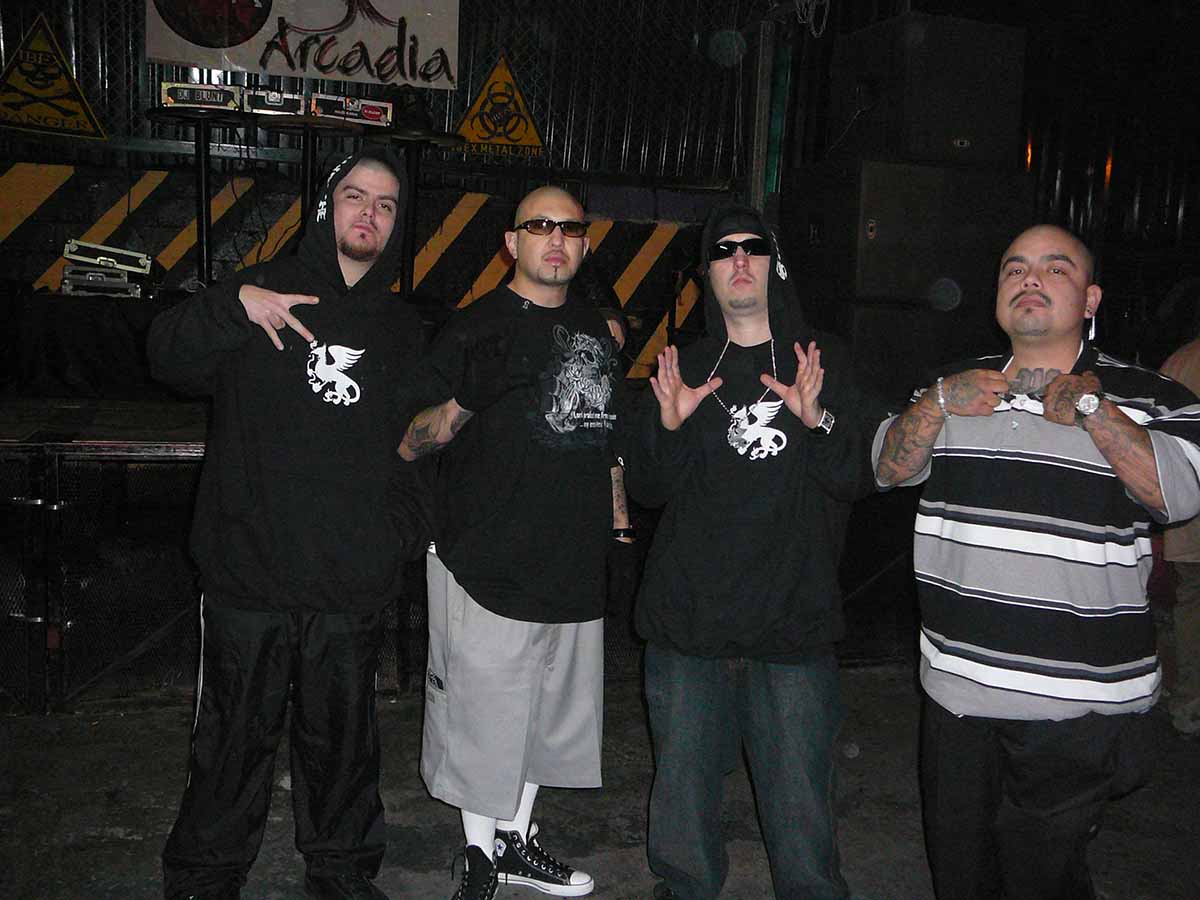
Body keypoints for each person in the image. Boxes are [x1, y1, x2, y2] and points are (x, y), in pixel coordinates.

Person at [873, 224, 1200, 899]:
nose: (1030, 278)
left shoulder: (1152, 395)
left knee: (1042, 884)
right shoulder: (954, 386)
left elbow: (1179, 495)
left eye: (1056, 268)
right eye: (1014, 267)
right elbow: (887, 467)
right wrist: (938, 403)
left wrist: (1092, 409)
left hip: (1078, 706)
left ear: (1091, 299)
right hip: (957, 691)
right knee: (961, 879)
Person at [148, 148, 430, 900]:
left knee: (343, 743)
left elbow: (417, 444)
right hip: (251, 574)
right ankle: (206, 874)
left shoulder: (403, 329)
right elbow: (164, 357)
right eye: (355, 196)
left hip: (350, 579)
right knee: (231, 739)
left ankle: (341, 870)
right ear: (327, 205)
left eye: (386, 204)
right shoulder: (262, 291)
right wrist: (232, 303)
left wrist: (396, 535)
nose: (369, 213)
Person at [622, 204, 881, 900]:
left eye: (753, 247)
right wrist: (669, 428)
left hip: (791, 624)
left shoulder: (822, 359)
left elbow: (857, 475)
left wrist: (818, 419)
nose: (738, 260)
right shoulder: (684, 365)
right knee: (683, 804)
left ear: (775, 263)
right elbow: (647, 488)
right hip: (689, 624)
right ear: (707, 273)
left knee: (802, 812)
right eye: (723, 250)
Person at [398, 186, 621, 900]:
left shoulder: (596, 331)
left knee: (543, 722)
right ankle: (477, 854)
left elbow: (605, 441)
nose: (556, 238)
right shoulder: (472, 328)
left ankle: (516, 841)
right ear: (511, 242)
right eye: (540, 225)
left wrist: (616, 527)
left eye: (570, 228)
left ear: (584, 244)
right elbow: (408, 441)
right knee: (481, 719)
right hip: (484, 560)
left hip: (571, 560)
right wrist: (468, 399)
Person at [1159, 331, 1200, 735]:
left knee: (1191, 610)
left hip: (1188, 522)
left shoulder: (1181, 360)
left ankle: (1190, 705)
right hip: (1190, 516)